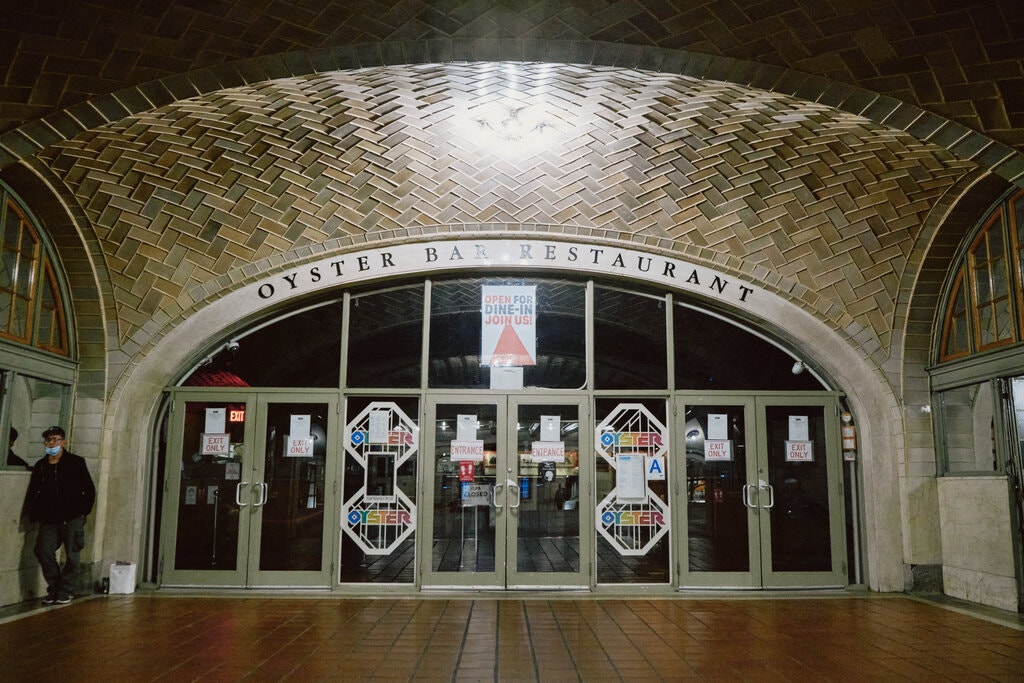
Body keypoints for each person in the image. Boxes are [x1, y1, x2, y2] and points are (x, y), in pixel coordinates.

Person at [25, 426, 96, 605]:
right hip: (49, 518)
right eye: (49, 440)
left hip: (72, 517)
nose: (52, 443)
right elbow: (34, 490)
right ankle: (55, 587)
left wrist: (82, 511)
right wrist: (32, 512)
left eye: (56, 439)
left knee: (72, 555)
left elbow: (88, 489)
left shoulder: (75, 463)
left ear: (63, 442)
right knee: (43, 550)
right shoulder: (41, 466)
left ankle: (65, 590)